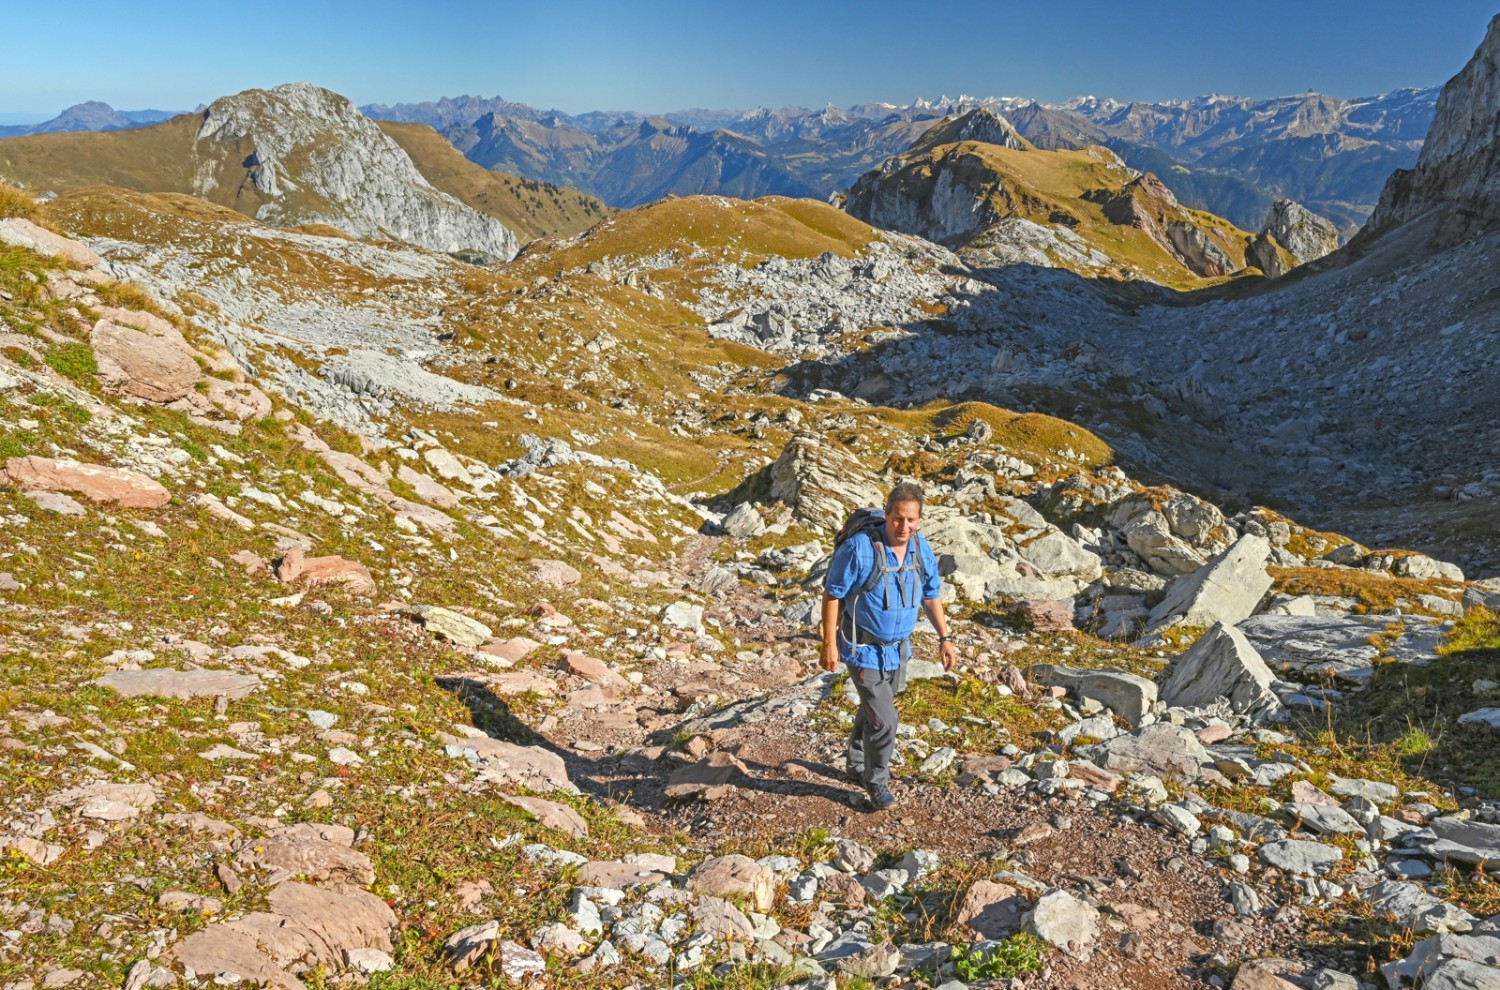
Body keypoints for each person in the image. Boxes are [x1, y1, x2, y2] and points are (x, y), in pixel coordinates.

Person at [820, 482, 957, 811]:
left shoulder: (920, 548)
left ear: (920, 520)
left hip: (898, 651)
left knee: (874, 710)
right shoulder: (860, 548)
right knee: (886, 720)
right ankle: (876, 781)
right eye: (897, 519)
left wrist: (945, 638)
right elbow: (833, 594)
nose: (903, 527)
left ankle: (855, 764)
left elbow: (931, 594)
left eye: (911, 520)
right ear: (886, 515)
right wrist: (828, 643)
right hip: (862, 649)